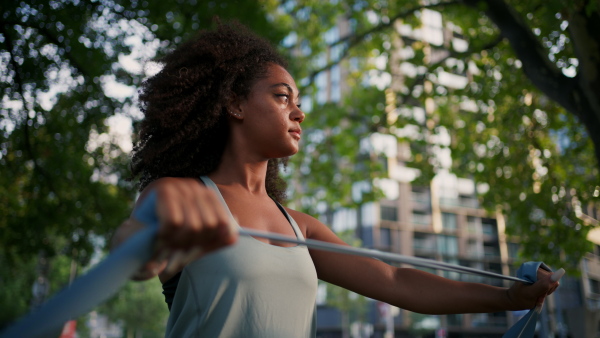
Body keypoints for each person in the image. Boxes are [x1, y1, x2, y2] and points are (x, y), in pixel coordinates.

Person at [112, 21, 559, 337]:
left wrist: (508, 298)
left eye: (298, 100)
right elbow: (136, 245)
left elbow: (396, 281)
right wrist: (145, 249)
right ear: (234, 103)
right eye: (281, 96)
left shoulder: (300, 227)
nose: (299, 112)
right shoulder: (180, 193)